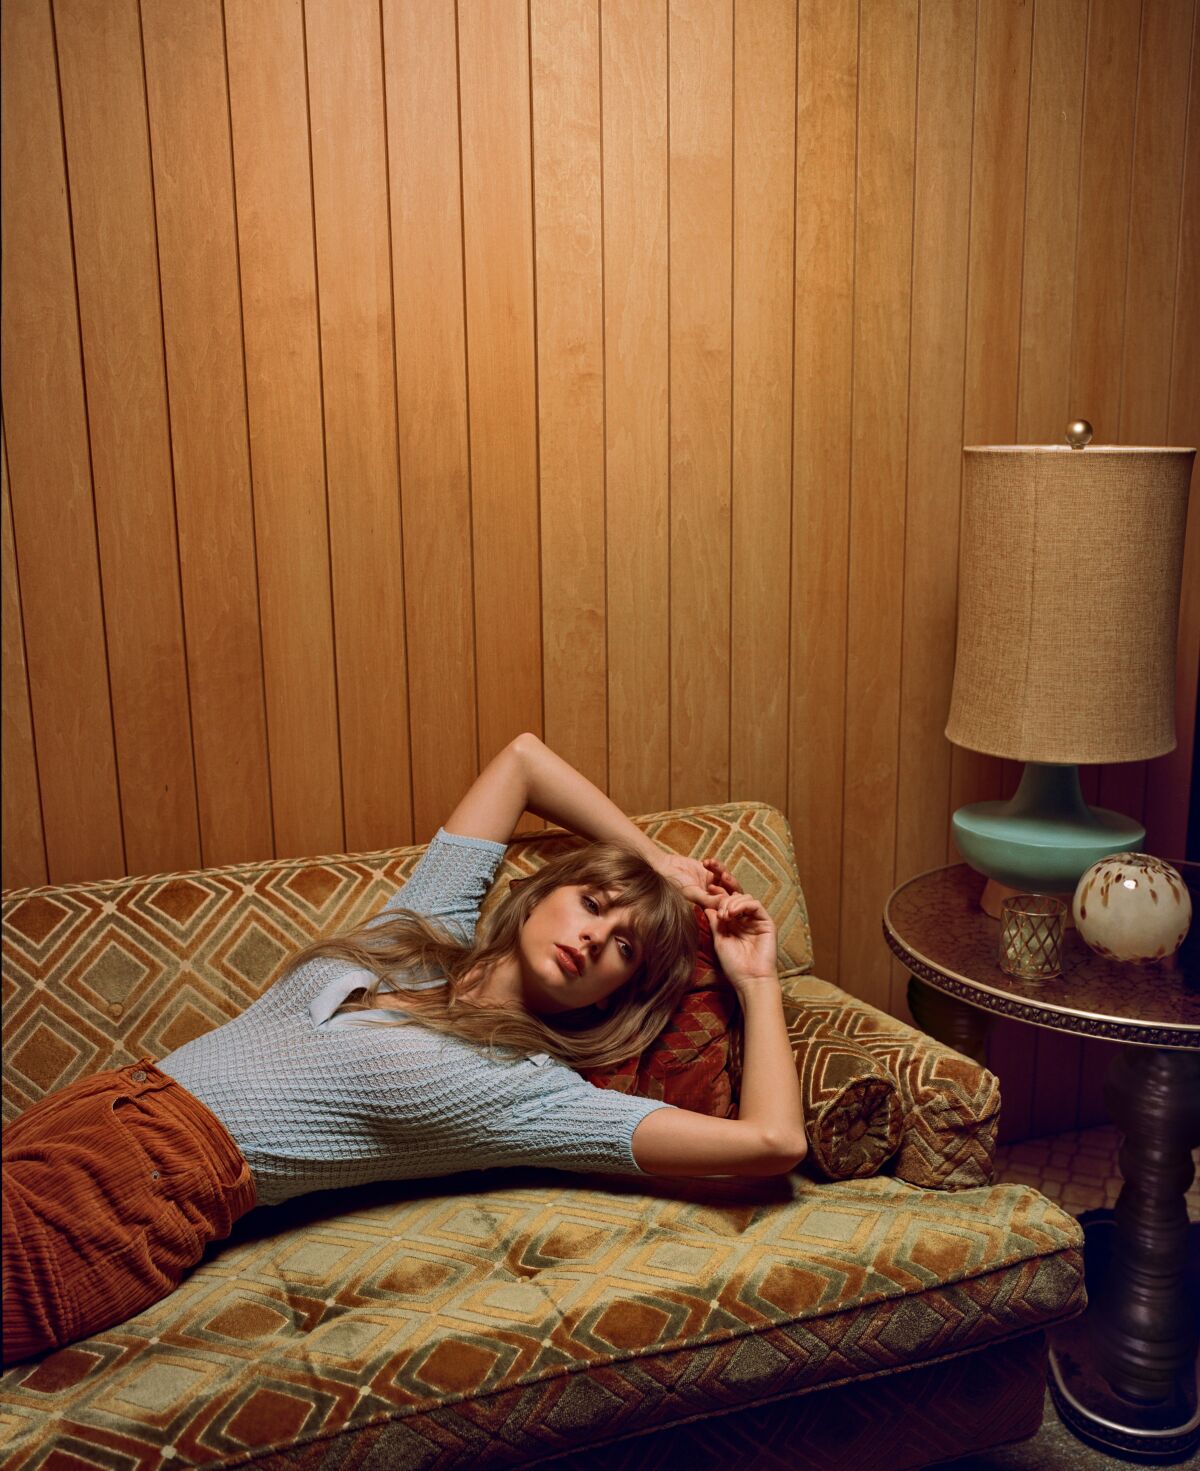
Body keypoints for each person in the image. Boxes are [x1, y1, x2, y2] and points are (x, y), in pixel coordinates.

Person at [2, 733, 806, 1366]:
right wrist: (656, 865)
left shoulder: (527, 1090)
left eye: (623, 949)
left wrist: (756, 980)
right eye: (591, 902)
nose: (594, 935)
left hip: (143, 1197)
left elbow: (772, 1143)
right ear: (541, 894)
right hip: (82, 1115)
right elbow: (523, 759)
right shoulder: (420, 931)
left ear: (611, 996)